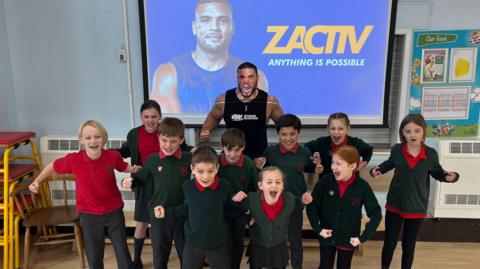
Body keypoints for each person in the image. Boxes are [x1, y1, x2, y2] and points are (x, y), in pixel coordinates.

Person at [29, 120, 137, 269]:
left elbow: (124, 167)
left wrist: (136, 169)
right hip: (89, 214)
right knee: (94, 253)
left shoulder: (112, 156)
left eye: (97, 136)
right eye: (88, 137)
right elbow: (53, 166)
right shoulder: (74, 160)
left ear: (104, 138)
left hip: (114, 212)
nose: (93, 141)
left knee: (121, 249)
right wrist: (38, 181)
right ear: (81, 141)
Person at [370, 113, 459, 269]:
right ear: (402, 133)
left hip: (417, 206)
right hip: (395, 204)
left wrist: (451, 177)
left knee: (409, 245)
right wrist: (376, 171)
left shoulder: (431, 154)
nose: (412, 135)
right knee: (390, 241)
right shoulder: (397, 150)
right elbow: (388, 164)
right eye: (408, 131)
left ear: (423, 131)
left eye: (416, 131)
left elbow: (438, 172)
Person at [151, 0, 268, 113]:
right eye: (206, 20)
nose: (215, 28)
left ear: (232, 27)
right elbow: (169, 130)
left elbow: (255, 125)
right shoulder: (170, 75)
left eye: (222, 20)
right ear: (194, 27)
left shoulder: (255, 78)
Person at [122, 117, 192, 269]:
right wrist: (128, 181)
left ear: (181, 140)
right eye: (164, 140)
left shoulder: (189, 158)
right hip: (159, 215)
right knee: (159, 257)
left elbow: (207, 164)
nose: (168, 145)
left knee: (187, 255)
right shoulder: (152, 160)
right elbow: (139, 179)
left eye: (173, 141)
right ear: (158, 138)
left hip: (183, 214)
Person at [155, 146, 241, 269]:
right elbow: (185, 208)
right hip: (192, 243)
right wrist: (166, 212)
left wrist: (238, 202)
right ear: (192, 169)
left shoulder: (224, 186)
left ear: (217, 168)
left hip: (218, 243)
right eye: (200, 171)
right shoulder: (187, 186)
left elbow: (228, 210)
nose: (205, 176)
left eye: (210, 171)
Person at [255, 114, 321, 269]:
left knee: (295, 238)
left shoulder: (305, 153)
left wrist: (317, 168)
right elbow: (262, 173)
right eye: (284, 134)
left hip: (295, 204)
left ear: (298, 133)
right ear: (278, 134)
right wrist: (258, 166)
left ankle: (297, 265)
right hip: (273, 204)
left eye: (292, 134)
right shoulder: (270, 153)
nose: (288, 138)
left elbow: (310, 168)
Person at [306, 145, 382, 269]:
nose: (333, 167)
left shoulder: (362, 187)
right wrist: (318, 229)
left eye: (339, 163)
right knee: (324, 266)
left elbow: (376, 214)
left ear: (352, 166)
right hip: (326, 236)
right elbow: (312, 205)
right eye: (332, 163)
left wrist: (362, 238)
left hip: (349, 239)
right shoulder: (325, 181)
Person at [232, 166, 312, 269]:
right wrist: (235, 199)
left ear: (283, 185)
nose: (274, 185)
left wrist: (304, 200)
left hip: (278, 244)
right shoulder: (252, 198)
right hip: (258, 243)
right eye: (269, 182)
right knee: (255, 265)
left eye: (278, 182)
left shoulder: (289, 199)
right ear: (260, 185)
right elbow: (237, 209)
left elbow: (299, 202)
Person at [201, 62, 283, 159]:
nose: (246, 81)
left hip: (258, 158)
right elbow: (213, 118)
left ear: (257, 78)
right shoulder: (224, 100)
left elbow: (284, 125)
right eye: (242, 77)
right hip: (231, 157)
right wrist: (206, 131)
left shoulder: (270, 101)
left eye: (250, 77)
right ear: (237, 79)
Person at [217, 128, 258, 269]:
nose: (233, 154)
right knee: (223, 242)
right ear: (222, 147)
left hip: (240, 213)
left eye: (237, 150)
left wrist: (252, 211)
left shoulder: (248, 164)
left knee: (238, 242)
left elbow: (254, 190)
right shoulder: (216, 164)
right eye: (229, 150)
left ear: (243, 147)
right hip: (221, 212)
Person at [305, 112, 373, 176]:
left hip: (351, 184)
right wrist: (313, 166)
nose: (336, 132)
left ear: (347, 129)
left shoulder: (355, 143)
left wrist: (365, 162)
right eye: (333, 129)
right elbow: (305, 149)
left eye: (340, 129)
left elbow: (369, 150)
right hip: (327, 184)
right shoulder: (321, 142)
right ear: (328, 129)